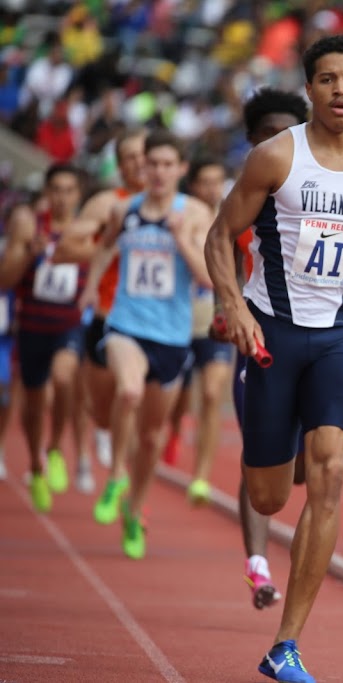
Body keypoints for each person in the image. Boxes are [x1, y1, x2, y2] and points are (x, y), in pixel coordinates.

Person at [203, 36, 343, 683]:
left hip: (335, 344)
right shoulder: (275, 159)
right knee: (267, 497)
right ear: (311, 89)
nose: (341, 90)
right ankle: (280, 441)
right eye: (328, 79)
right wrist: (233, 305)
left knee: (331, 474)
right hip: (271, 334)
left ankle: (285, 643)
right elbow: (218, 235)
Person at [79, 130, 213, 558]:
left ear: (180, 170)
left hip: (172, 337)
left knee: (153, 437)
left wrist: (180, 240)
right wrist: (91, 287)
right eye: (150, 164)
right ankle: (116, 473)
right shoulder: (124, 209)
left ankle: (134, 511)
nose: (156, 171)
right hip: (125, 326)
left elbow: (207, 277)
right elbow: (103, 247)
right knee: (129, 390)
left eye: (166, 164)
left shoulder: (193, 213)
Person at [224, 87, 309, 610]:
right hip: (259, 339)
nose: (279, 141)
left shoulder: (321, 192)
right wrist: (227, 307)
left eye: (288, 132)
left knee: (298, 469)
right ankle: (257, 566)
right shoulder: (246, 196)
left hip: (320, 342)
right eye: (268, 133)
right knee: (259, 463)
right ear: (252, 140)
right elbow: (225, 257)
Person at [55, 128, 148, 522]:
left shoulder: (178, 206)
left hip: (159, 325)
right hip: (111, 317)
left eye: (145, 155)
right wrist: (114, 244)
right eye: (128, 156)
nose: (138, 164)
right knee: (107, 409)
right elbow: (65, 247)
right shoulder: (108, 203)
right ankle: (97, 441)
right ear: (119, 163)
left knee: (141, 413)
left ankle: (131, 504)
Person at [0, 163, 93, 511]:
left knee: (64, 375)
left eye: (69, 191)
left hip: (68, 325)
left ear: (78, 195)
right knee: (34, 406)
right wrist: (29, 253)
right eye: (56, 190)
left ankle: (55, 449)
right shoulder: (30, 228)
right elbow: (5, 280)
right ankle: (37, 466)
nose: (62, 197)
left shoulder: (85, 229)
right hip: (32, 328)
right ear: (47, 193)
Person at [163, 156, 234, 506]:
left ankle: (201, 476)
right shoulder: (180, 217)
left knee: (211, 394)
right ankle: (174, 427)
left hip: (214, 323)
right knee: (176, 398)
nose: (211, 189)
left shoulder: (234, 217)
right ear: (192, 186)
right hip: (177, 320)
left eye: (217, 182)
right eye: (205, 182)